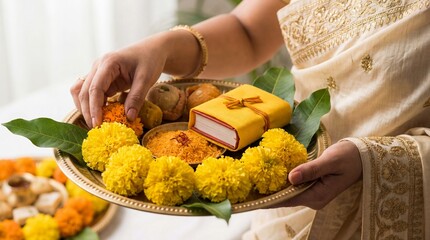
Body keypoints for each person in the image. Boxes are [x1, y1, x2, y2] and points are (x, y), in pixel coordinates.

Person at [71, 0, 430, 239]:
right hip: (281, 178)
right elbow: (249, 31)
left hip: (376, 208)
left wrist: (373, 162)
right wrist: (161, 48)